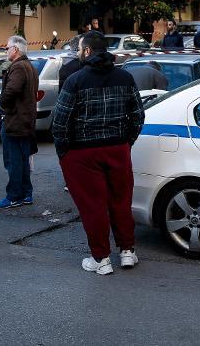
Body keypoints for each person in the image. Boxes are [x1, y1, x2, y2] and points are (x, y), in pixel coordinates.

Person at [52, 31, 144, 275]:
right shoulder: (125, 77)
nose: (79, 53)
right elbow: (137, 115)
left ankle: (101, 258)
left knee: (93, 206)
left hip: (84, 152)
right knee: (121, 201)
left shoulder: (75, 80)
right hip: (117, 148)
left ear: (88, 51)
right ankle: (127, 251)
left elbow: (60, 121)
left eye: (80, 49)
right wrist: (126, 142)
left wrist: (64, 152)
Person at [0, 36, 38, 210]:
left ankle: (14, 196)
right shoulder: (29, 66)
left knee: (14, 161)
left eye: (7, 48)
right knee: (22, 159)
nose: (6, 50)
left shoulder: (18, 67)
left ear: (16, 49)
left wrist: (3, 105)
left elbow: (11, 90)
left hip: (15, 121)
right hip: (25, 120)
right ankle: (26, 193)